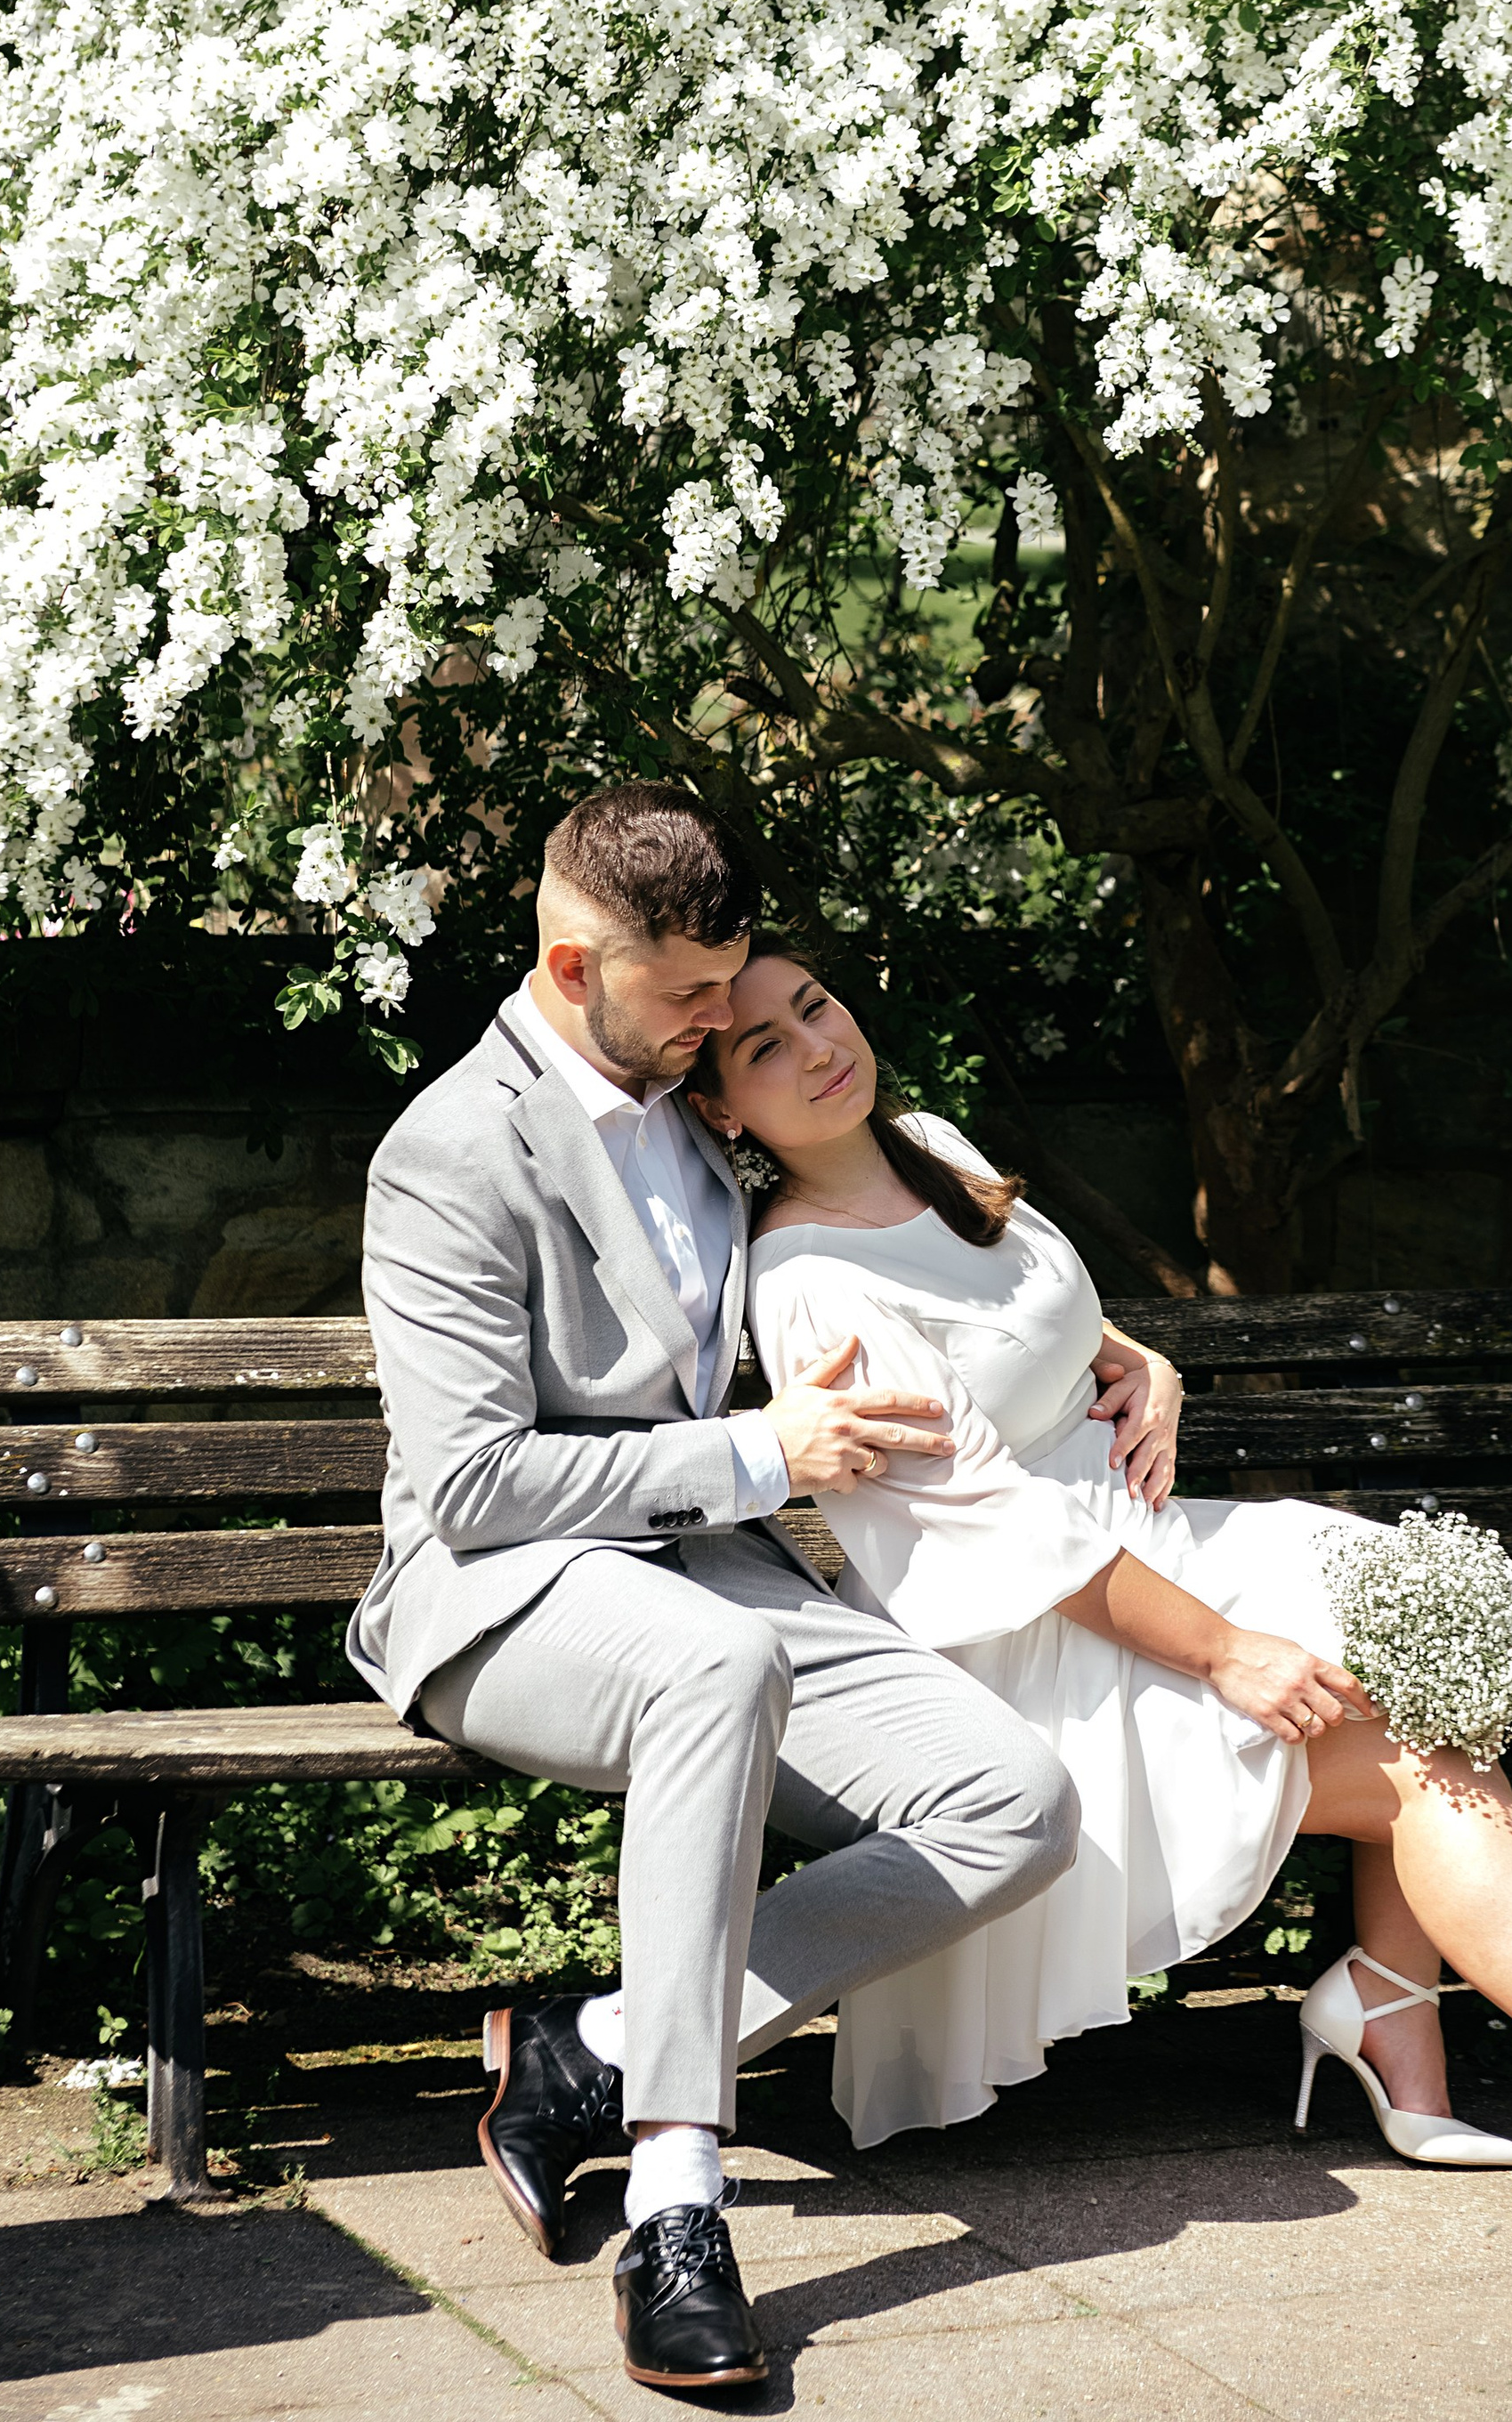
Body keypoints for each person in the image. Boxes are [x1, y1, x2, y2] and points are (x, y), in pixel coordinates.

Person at [691, 944, 1512, 2255]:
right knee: (1408, 1752)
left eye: (815, 1009)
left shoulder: (929, 1144)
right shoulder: (812, 1279)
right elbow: (997, 1527)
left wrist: (1144, 1358)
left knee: (1417, 1642)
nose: (816, 1048)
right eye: (762, 1048)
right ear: (722, 1108)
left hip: (1150, 1548)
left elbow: (1035, 1317)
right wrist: (1227, 1652)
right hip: (1044, 1630)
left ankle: (1402, 2024)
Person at [348, 788, 1080, 2391]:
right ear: (565, 963)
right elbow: (470, 1487)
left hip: (717, 1579)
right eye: (686, 993)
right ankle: (678, 2199)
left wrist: (1120, 1356)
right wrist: (761, 1456)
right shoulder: (447, 1154)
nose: (719, 1018)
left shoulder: (701, 1100)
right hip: (497, 1595)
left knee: (1016, 1801)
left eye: (729, 987)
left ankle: (594, 2045)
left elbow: (928, 1244)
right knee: (708, 1669)